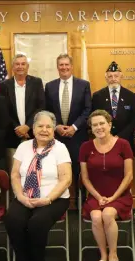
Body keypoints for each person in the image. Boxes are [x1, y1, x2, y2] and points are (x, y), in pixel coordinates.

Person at [4, 111, 72, 261]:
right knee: (13, 219)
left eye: (48, 126)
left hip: (54, 198)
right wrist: (20, 197)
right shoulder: (23, 147)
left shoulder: (60, 148)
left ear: (53, 129)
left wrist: (47, 199)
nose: (44, 130)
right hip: (26, 195)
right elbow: (15, 175)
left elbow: (66, 179)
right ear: (33, 128)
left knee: (37, 222)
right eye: (40, 126)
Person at [79, 109, 133, 261]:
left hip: (120, 195)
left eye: (102, 123)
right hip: (96, 195)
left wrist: (113, 197)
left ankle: (113, 257)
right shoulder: (85, 147)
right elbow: (85, 178)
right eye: (95, 125)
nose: (99, 127)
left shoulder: (124, 144)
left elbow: (129, 175)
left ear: (110, 125)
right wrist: (97, 195)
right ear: (91, 128)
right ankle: (103, 256)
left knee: (108, 214)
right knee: (96, 216)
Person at [45, 53, 91, 206]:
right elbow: (47, 111)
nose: (64, 67)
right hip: (56, 137)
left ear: (71, 66)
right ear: (57, 67)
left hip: (78, 136)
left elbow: (87, 109)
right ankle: (57, 202)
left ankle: (80, 203)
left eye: (66, 65)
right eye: (61, 65)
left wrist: (74, 127)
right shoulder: (50, 86)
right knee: (56, 170)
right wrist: (56, 125)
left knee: (79, 170)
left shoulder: (83, 85)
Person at [0, 54, 45, 172]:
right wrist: (17, 128)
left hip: (34, 135)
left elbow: (41, 107)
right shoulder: (4, 85)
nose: (20, 67)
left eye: (23, 64)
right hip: (12, 137)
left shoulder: (36, 82)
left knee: (34, 173)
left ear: (27, 66)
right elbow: (3, 110)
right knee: (14, 173)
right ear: (13, 67)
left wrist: (27, 126)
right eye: (17, 64)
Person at [91, 61, 135, 154]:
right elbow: (94, 119)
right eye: (110, 76)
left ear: (121, 77)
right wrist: (108, 136)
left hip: (125, 141)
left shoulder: (131, 96)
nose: (113, 79)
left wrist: (119, 137)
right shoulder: (97, 96)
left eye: (116, 76)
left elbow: (134, 120)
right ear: (106, 78)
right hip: (103, 141)